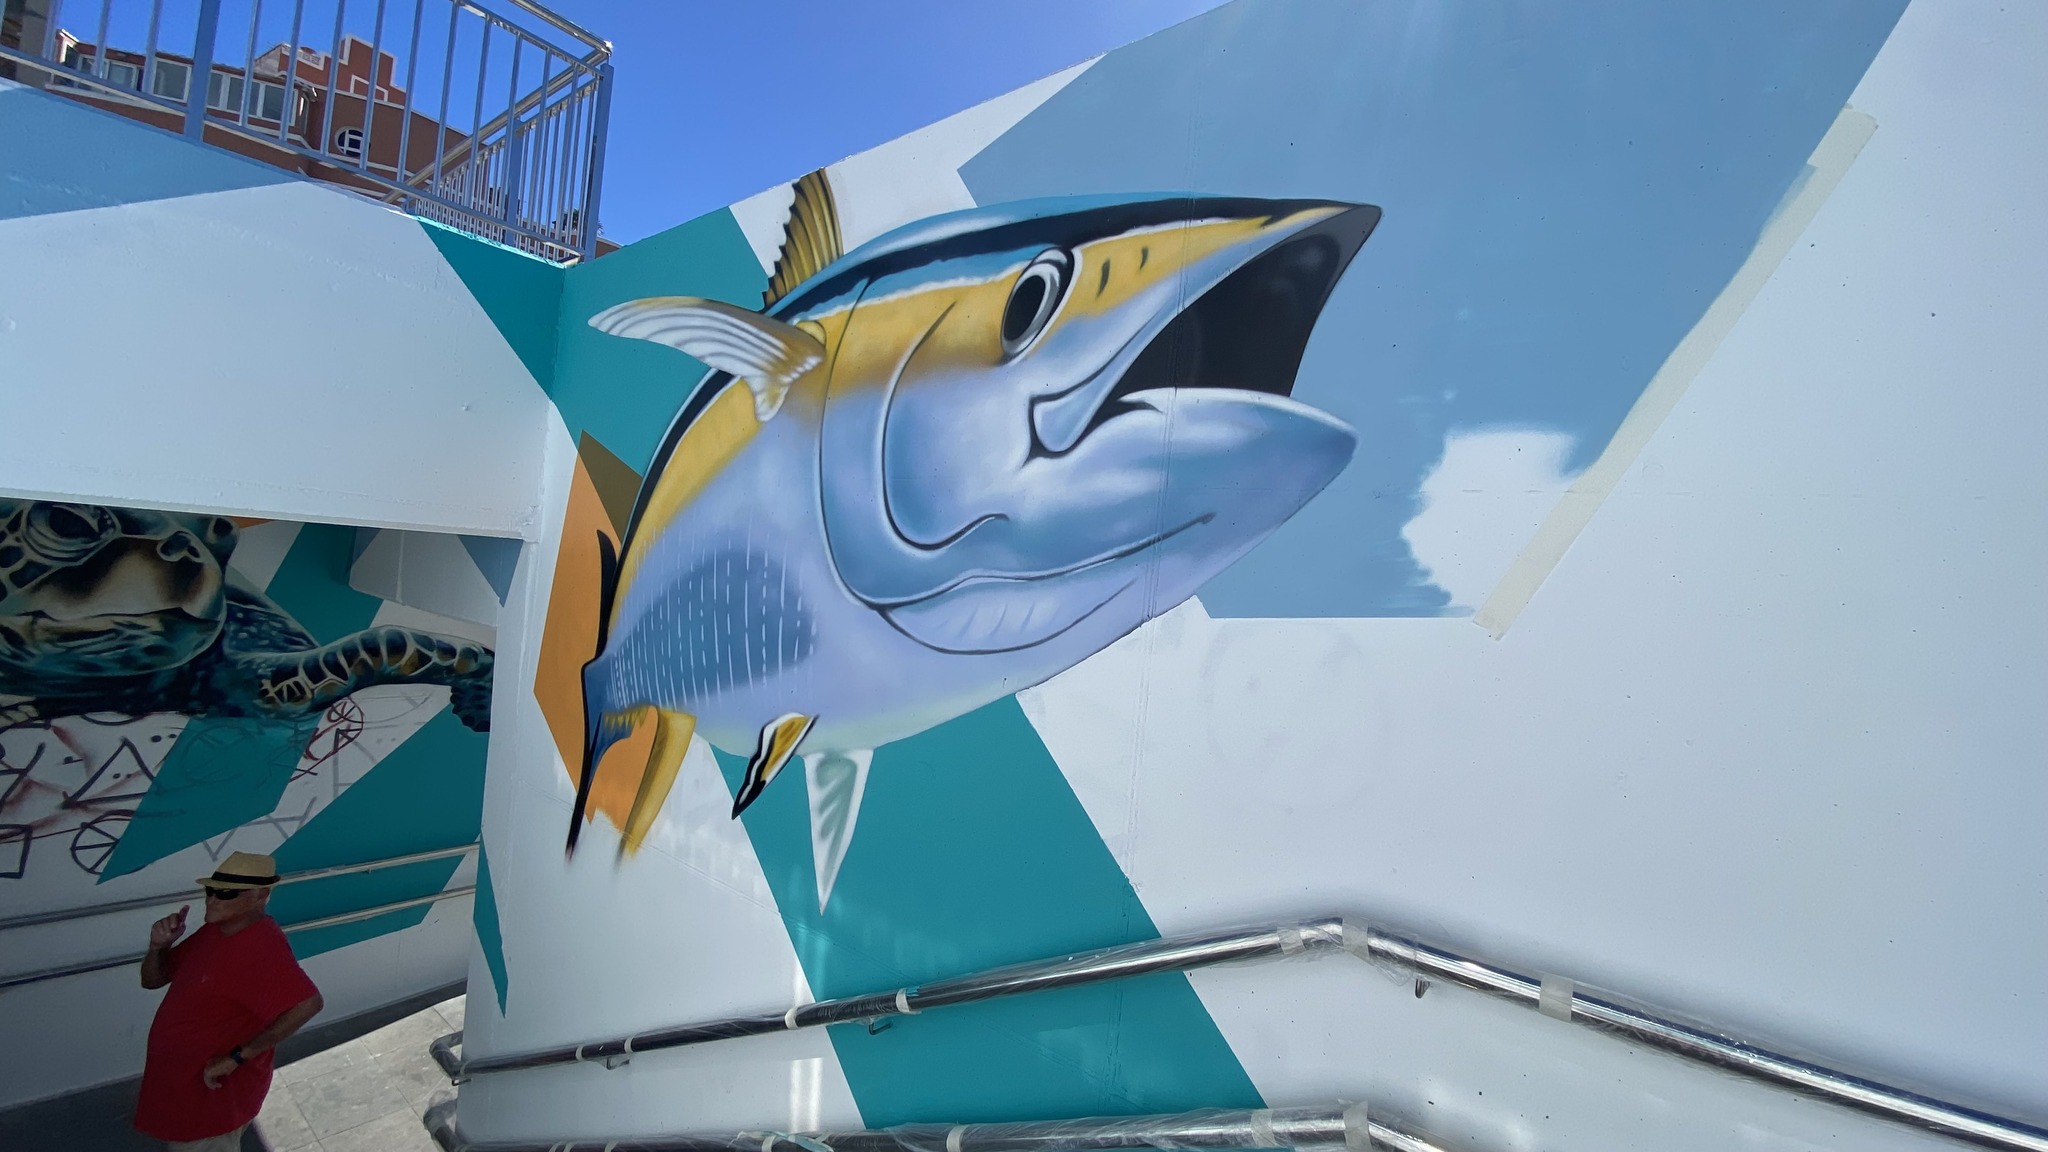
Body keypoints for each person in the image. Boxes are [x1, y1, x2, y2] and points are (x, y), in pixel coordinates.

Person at [134, 852, 324, 1152]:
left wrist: (237, 1058)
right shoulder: (215, 931)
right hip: (183, 1090)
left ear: (260, 895)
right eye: (210, 890)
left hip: (211, 1103)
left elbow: (308, 1004)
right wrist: (158, 947)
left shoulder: (261, 947)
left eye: (226, 893)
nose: (212, 900)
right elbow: (152, 980)